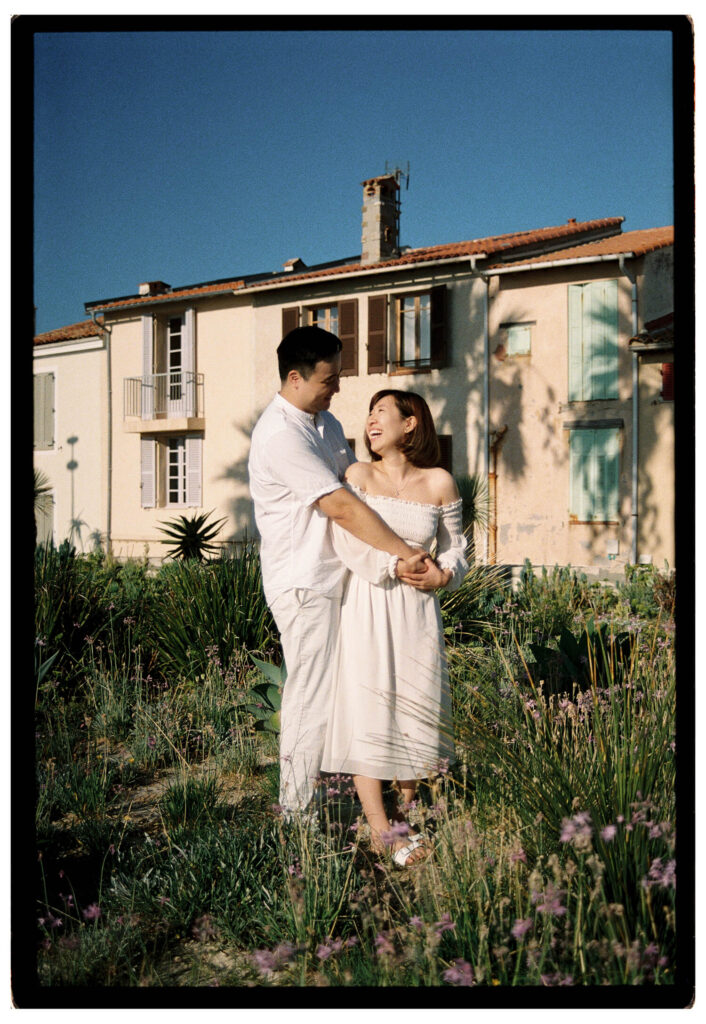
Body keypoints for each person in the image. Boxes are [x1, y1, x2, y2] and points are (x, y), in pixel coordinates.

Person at [248, 327, 437, 817]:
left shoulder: (324, 422)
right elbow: (341, 505)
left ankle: (356, 797)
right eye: (330, 379)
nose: (338, 389)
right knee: (309, 696)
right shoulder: (279, 435)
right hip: (304, 582)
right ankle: (297, 817)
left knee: (343, 693)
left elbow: (362, 487)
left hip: (344, 580)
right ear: (296, 377)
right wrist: (403, 554)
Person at [320, 389, 469, 866]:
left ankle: (405, 813)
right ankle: (382, 830)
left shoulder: (440, 482)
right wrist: (393, 568)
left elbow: (456, 548)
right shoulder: (357, 476)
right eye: (369, 414)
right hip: (369, 600)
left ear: (410, 424)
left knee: (415, 703)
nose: (370, 421)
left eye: (381, 412)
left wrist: (444, 575)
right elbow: (347, 539)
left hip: (419, 610)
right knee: (370, 707)